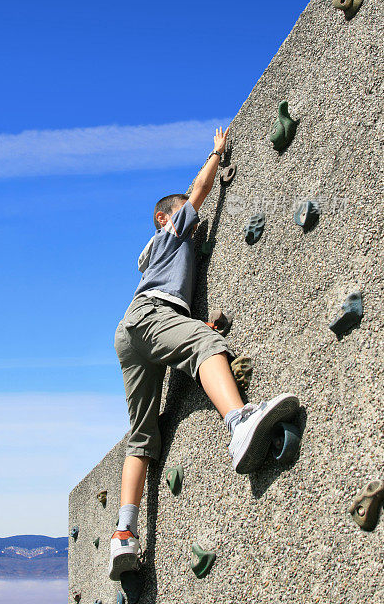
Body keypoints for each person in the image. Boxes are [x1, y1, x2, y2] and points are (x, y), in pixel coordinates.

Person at [108, 126, 299, 580]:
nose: (193, 225)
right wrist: (216, 154)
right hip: (151, 316)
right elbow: (200, 191)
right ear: (164, 218)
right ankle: (239, 423)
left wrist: (193, 320)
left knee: (142, 435)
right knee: (207, 345)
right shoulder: (170, 234)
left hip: (131, 332)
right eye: (182, 216)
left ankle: (123, 535)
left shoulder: (160, 258)